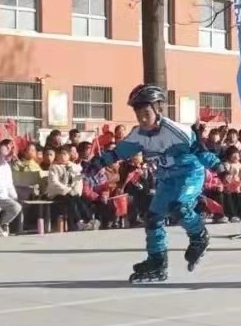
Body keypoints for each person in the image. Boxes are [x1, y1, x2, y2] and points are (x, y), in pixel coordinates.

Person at [83, 84, 224, 283]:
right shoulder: (138, 135)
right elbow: (117, 153)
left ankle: (199, 235)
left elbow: (201, 152)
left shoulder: (177, 131)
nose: (142, 119)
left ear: (158, 109)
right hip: (166, 179)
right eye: (138, 114)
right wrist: (96, 163)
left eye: (146, 113)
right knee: (152, 218)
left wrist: (219, 168)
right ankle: (157, 262)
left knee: (179, 208)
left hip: (189, 175)